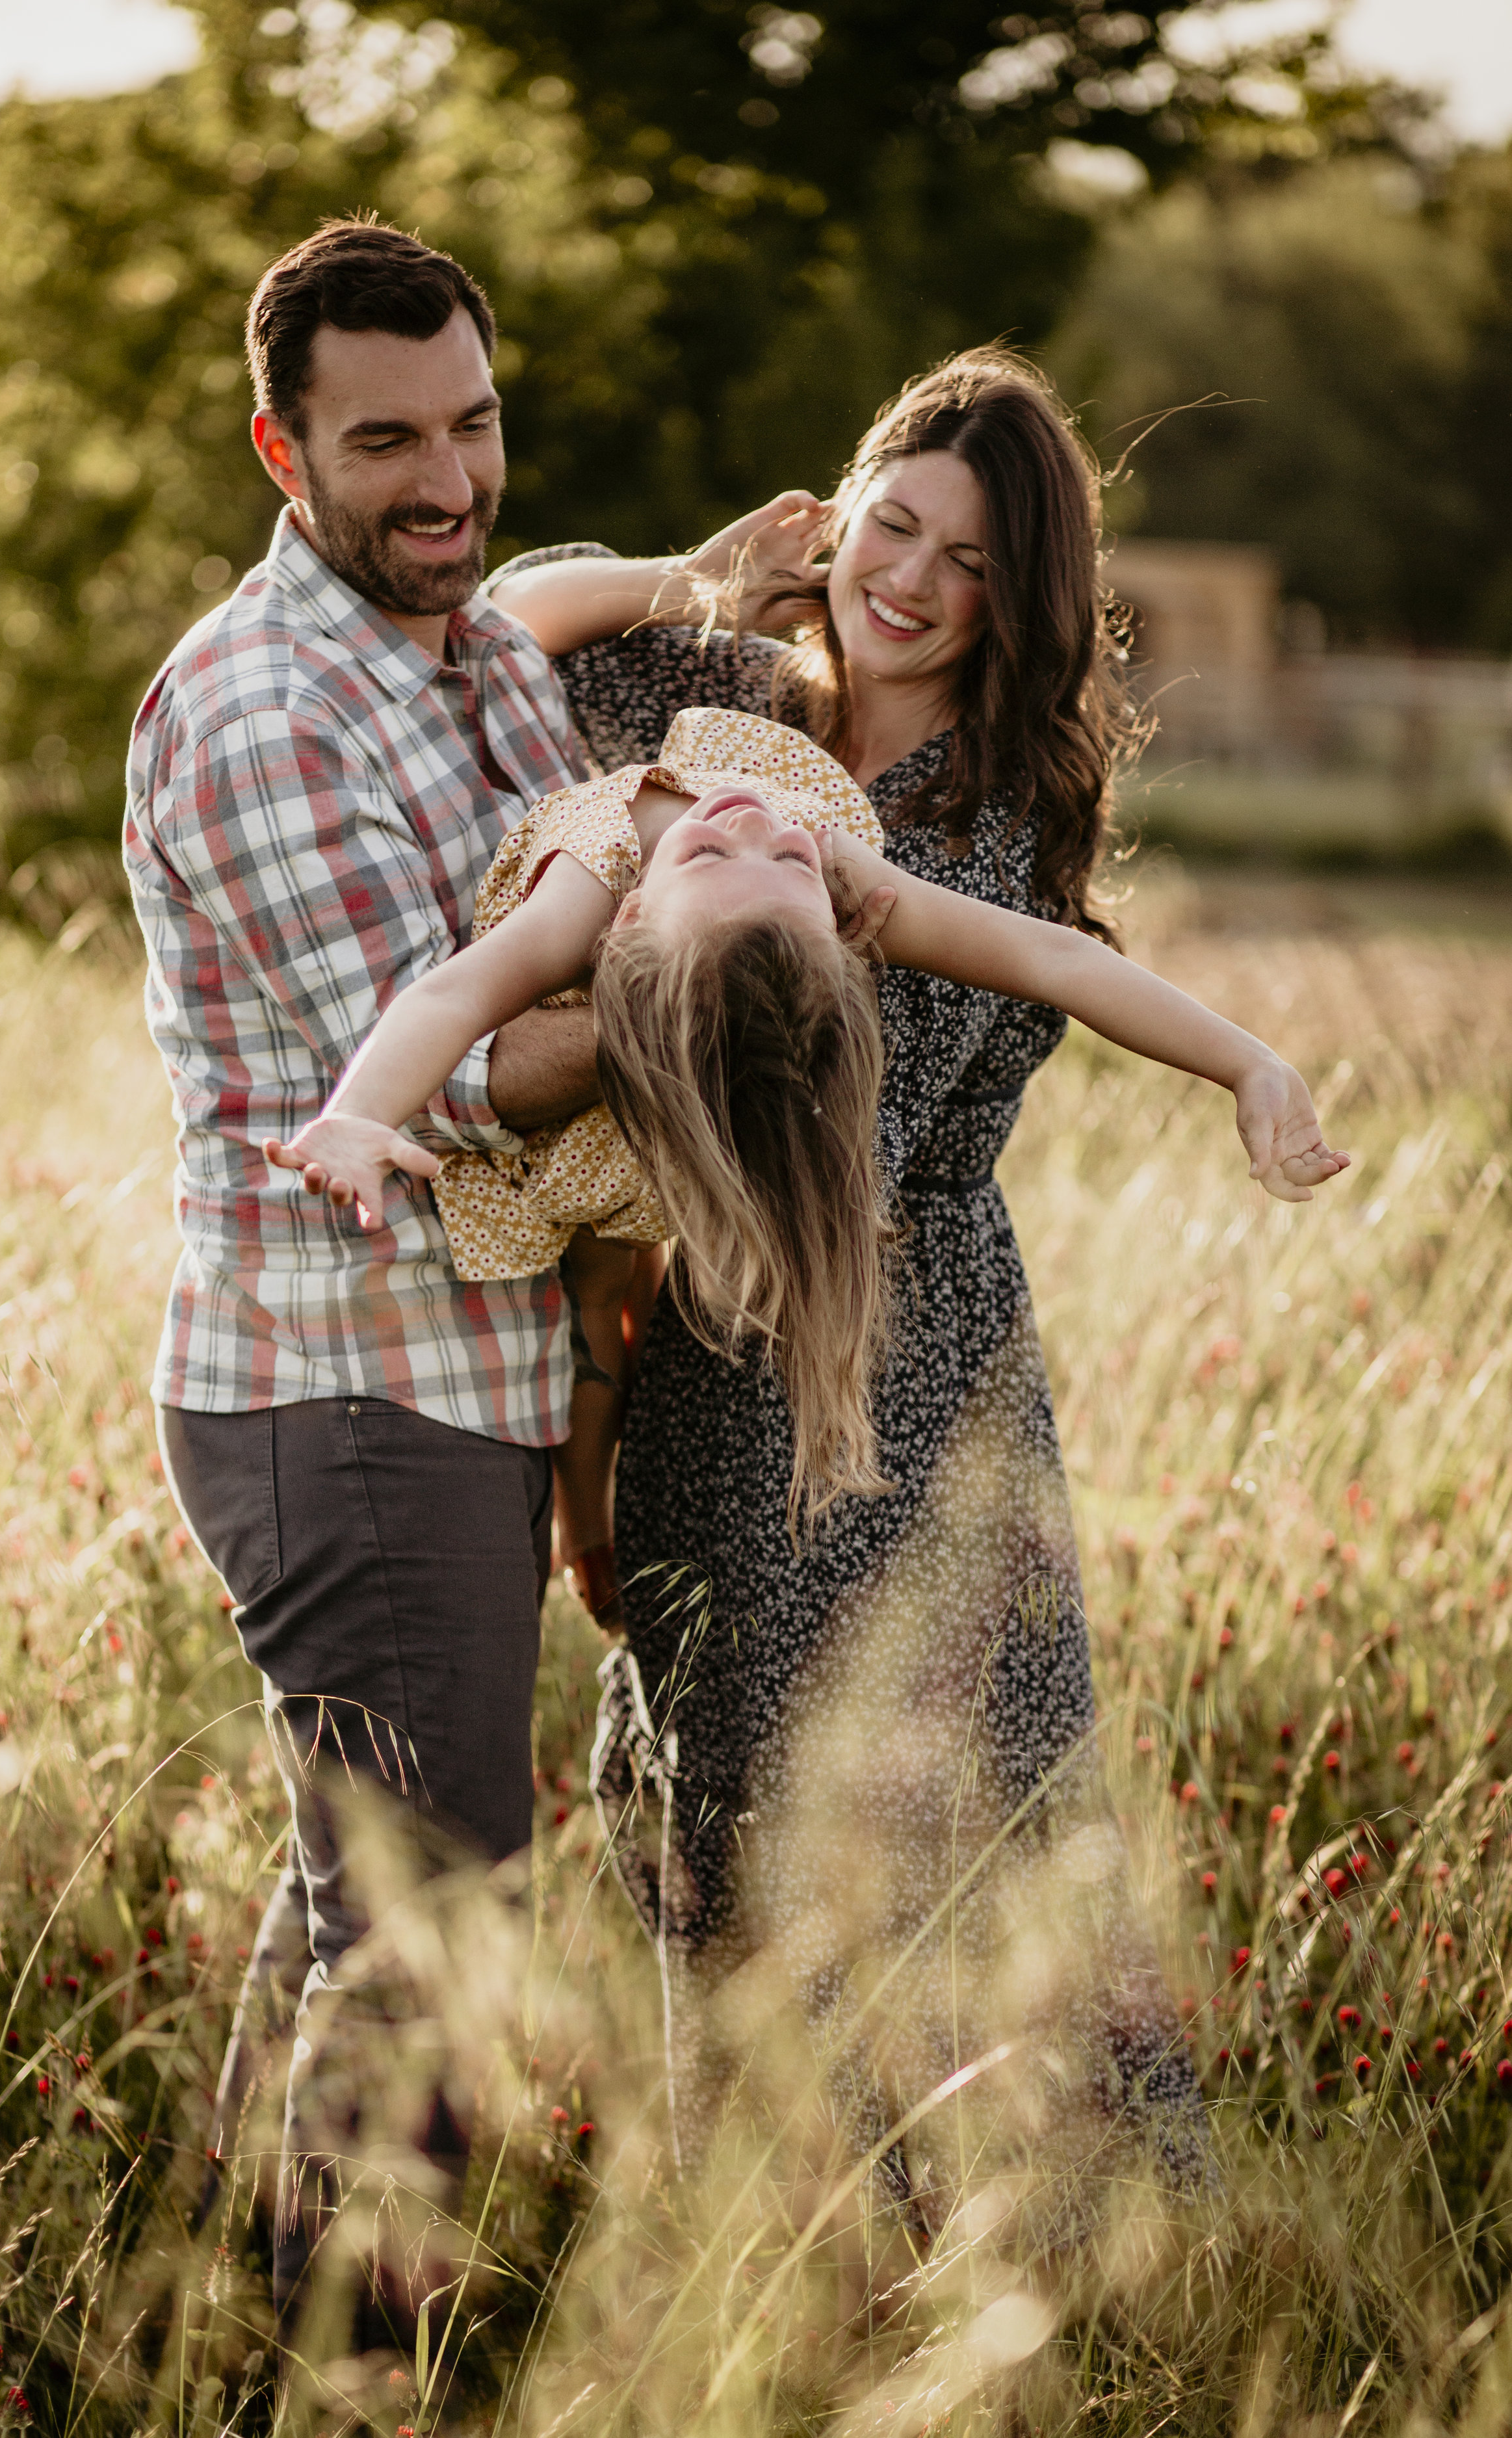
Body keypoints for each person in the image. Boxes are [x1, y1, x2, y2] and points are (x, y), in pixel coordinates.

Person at [486, 348, 1305, 2197]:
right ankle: (767, 2237)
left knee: (948, 1802)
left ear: (1019, 605)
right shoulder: (720, 697)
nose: (914, 579)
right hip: (703, 1350)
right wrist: (690, 574)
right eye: (896, 520)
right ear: (840, 507)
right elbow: (492, 638)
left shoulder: (984, 817)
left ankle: (1018, 2244)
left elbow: (821, 1141)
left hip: (892, 1344)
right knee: (729, 1802)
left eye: (973, 562)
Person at [122, 216, 604, 2335]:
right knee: (431, 1952)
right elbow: (442, 1084)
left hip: (459, 1377)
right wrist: (738, 988)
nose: (448, 479)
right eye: (388, 439)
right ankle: (346, 2383)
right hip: (348, 1392)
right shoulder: (260, 707)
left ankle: (216, 2344)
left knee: (360, 1926)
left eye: (476, 425)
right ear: (282, 447)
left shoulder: (472, 642)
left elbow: (563, 883)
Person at [265, 701, 1343, 1554]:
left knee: (608, 1285)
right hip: (644, 1064)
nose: (759, 828)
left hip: (687, 1102)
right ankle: (586, 1516)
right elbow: (458, 999)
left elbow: (1057, 958)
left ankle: (583, 1515)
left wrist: (1249, 1062)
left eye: (779, 864)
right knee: (597, 1294)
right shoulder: (689, 874)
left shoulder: (709, 882)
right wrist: (360, 1112)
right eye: (759, 861)